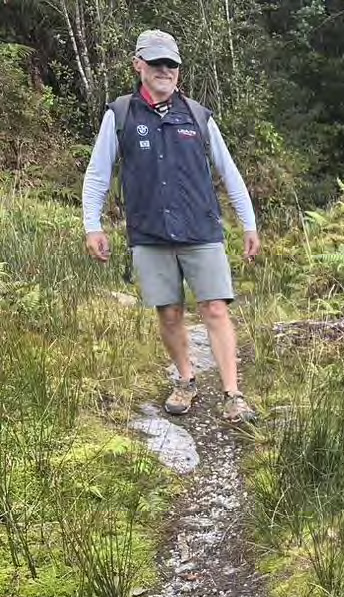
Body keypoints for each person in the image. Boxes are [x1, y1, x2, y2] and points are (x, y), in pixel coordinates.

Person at [82, 29, 259, 423]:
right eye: (157, 62)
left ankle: (233, 393)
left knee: (215, 308)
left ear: (178, 70)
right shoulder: (121, 114)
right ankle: (186, 379)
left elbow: (229, 173)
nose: (165, 70)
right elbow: (97, 174)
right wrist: (92, 225)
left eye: (171, 64)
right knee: (169, 314)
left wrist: (248, 223)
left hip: (201, 229)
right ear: (138, 65)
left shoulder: (197, 116)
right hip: (149, 233)